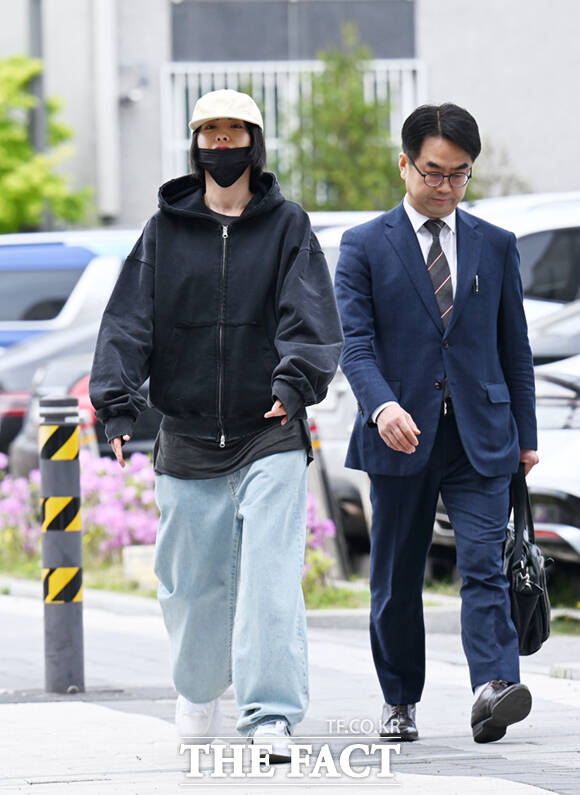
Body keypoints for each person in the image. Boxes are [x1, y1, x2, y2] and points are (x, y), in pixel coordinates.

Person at [90, 88, 343, 759]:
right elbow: (127, 322)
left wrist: (295, 383)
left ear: (255, 143)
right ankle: (199, 686)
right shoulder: (163, 230)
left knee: (270, 580)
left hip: (270, 430)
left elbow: (310, 314)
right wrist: (116, 403)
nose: (223, 142)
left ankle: (270, 715)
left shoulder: (288, 225)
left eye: (236, 131)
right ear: (196, 143)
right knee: (191, 586)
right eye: (212, 132)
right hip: (187, 433)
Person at [334, 103, 539, 744]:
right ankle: (400, 699)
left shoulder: (495, 244)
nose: (445, 186)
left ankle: (494, 687)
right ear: (404, 165)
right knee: (397, 578)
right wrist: (382, 406)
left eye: (459, 174)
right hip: (400, 433)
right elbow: (355, 346)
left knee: (484, 563)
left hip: (483, 434)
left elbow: (514, 347)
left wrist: (527, 436)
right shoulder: (364, 245)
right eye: (433, 172)